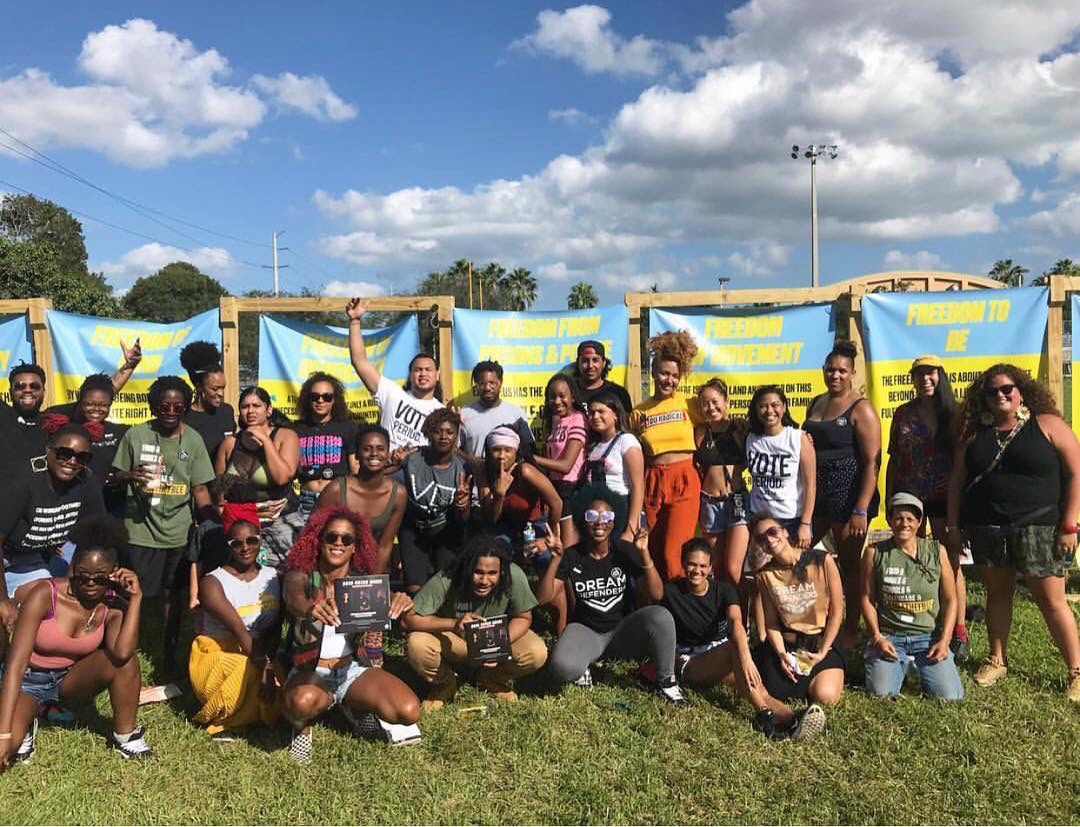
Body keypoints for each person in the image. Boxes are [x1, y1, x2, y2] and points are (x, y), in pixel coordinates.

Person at [947, 364, 1080, 700]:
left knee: (1051, 601)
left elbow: (1075, 473)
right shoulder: (974, 435)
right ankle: (997, 658)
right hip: (988, 528)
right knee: (997, 594)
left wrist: (1069, 524)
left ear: (1021, 391)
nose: (1001, 395)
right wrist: (954, 525)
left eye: (1007, 389)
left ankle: (1077, 671)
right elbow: (957, 483)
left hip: (1040, 526)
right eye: (992, 391)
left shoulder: (1047, 424)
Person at [0, 516, 153, 766]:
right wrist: (3, 734)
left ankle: (126, 737)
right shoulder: (45, 594)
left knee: (123, 662)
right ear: (74, 568)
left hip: (68, 681)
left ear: (114, 572)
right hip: (27, 681)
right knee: (5, 750)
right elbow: (15, 664)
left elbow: (123, 653)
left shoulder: (112, 605)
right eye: (83, 576)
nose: (91, 584)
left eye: (100, 577)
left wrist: (136, 599)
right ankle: (26, 722)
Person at [281, 507, 421, 762]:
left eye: (347, 539)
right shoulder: (302, 576)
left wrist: (399, 599)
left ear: (355, 547)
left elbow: (387, 599)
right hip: (310, 670)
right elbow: (293, 597)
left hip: (350, 670)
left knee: (408, 711)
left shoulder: (361, 582)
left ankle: (352, 708)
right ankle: (302, 729)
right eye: (331, 537)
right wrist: (311, 608)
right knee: (302, 703)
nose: (338, 543)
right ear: (318, 540)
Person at [538, 485, 687, 704]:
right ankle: (583, 666)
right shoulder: (572, 555)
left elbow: (656, 594)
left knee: (661, 615)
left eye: (607, 516)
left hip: (622, 631)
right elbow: (543, 598)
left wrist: (644, 554)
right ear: (583, 520)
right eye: (592, 516)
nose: (600, 522)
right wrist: (555, 560)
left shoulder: (624, 551)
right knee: (561, 668)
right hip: (587, 631)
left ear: (614, 521)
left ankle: (666, 680)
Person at [666, 538, 826, 740]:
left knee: (758, 689)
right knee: (733, 650)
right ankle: (763, 715)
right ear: (683, 563)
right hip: (691, 662)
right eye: (691, 564)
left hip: (724, 656)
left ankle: (791, 719)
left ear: (710, 567)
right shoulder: (671, 591)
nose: (697, 570)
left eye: (702, 566)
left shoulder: (723, 590)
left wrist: (745, 657)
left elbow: (736, 622)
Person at [111, 376, 215, 673]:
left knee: (172, 596)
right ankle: (122, 651)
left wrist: (212, 523)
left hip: (178, 533)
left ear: (185, 408)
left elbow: (199, 489)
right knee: (132, 594)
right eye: (164, 405)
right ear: (154, 406)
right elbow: (114, 476)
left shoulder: (193, 440)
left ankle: (168, 657)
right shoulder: (136, 435)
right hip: (140, 531)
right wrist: (129, 476)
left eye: (177, 406)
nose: (170, 411)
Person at [886, 354, 969, 659]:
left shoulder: (955, 413)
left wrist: (959, 488)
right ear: (913, 379)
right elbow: (894, 457)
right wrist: (889, 496)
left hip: (946, 497)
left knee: (951, 562)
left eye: (930, 373)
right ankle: (922, 624)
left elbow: (965, 459)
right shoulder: (903, 414)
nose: (925, 379)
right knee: (913, 560)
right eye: (919, 374)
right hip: (910, 496)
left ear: (940, 376)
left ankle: (958, 629)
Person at [402, 534, 547, 708]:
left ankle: (490, 679)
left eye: (492, 573)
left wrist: (499, 646)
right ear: (467, 567)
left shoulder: (513, 574)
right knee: (417, 644)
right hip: (455, 642)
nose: (484, 581)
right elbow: (408, 619)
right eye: (478, 572)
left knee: (536, 652)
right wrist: (453, 624)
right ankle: (445, 682)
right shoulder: (448, 577)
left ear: (501, 571)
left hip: (494, 638)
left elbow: (523, 617)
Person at [803, 341, 881, 645]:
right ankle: (812, 620)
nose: (835, 375)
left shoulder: (861, 408)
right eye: (830, 370)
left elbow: (872, 462)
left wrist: (860, 509)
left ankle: (851, 627)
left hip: (849, 496)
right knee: (801, 553)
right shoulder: (816, 402)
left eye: (841, 371)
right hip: (817, 495)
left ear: (852, 373)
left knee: (850, 563)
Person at [0, 421, 106, 632]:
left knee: (59, 606)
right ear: (48, 450)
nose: (72, 462)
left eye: (82, 457)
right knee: (17, 614)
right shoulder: (22, 480)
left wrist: (68, 589)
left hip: (39, 558)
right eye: (64, 453)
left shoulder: (86, 481)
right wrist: (2, 600)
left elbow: (92, 538)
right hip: (9, 560)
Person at [189, 504, 284, 737]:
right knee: (247, 671)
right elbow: (239, 631)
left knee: (284, 682)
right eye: (237, 543)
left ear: (260, 540)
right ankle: (228, 720)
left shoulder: (274, 577)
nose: (245, 548)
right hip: (218, 654)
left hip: (258, 652)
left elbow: (275, 628)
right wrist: (266, 666)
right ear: (228, 546)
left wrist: (270, 661)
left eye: (251, 540)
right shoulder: (212, 583)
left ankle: (251, 713)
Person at [861, 493, 963, 700]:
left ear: (919, 522)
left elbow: (951, 599)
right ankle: (901, 664)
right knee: (881, 693)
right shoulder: (875, 552)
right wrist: (877, 637)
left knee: (951, 696)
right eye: (898, 518)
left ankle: (914, 666)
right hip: (890, 637)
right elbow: (866, 598)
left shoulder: (937, 551)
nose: (904, 523)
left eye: (910, 518)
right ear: (890, 520)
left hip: (928, 637)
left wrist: (945, 640)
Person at [751, 515, 846, 718]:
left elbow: (837, 611)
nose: (769, 539)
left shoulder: (822, 560)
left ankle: (822, 678)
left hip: (820, 643)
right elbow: (771, 623)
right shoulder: (765, 575)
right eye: (761, 539)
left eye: (772, 532)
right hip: (789, 646)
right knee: (772, 691)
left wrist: (822, 652)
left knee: (826, 696)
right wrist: (782, 654)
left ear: (785, 532)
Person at [0, 343, 140, 477]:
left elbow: (99, 395)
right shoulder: (6, 416)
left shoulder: (51, 418)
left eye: (34, 386)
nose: (27, 390)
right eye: (20, 386)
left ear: (44, 391)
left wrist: (129, 367)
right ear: (10, 390)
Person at [632, 331, 702, 581]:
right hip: (652, 481)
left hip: (683, 478)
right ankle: (658, 603)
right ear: (653, 372)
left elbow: (714, 423)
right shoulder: (639, 411)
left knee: (675, 555)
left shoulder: (690, 403)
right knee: (654, 551)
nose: (669, 380)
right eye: (664, 373)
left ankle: (681, 601)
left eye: (674, 376)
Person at [216, 386, 301, 569]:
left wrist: (266, 440)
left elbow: (282, 477)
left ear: (268, 410)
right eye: (245, 406)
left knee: (290, 577)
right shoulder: (230, 444)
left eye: (256, 406)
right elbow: (218, 491)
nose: (251, 411)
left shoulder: (286, 436)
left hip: (280, 521)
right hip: (240, 527)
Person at [346, 298, 443, 457]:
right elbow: (359, 362)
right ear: (410, 375)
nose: (423, 374)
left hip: (419, 471)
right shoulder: (392, 393)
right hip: (386, 469)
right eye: (418, 370)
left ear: (437, 375)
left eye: (428, 370)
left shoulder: (441, 412)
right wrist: (355, 321)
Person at [315, 425, 406, 578]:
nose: (374, 454)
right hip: (330, 566)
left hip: (369, 567)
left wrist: (372, 582)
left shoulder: (398, 494)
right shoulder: (336, 489)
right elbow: (313, 535)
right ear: (356, 454)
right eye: (367, 449)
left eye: (380, 449)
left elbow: (385, 545)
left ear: (387, 453)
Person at [398, 409, 471, 594]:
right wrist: (393, 459)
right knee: (414, 588)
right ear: (429, 433)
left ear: (456, 435)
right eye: (438, 431)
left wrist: (462, 506)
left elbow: (463, 519)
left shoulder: (463, 468)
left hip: (446, 529)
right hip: (413, 528)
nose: (443, 437)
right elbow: (385, 476)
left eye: (449, 432)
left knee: (445, 586)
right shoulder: (412, 458)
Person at [693, 379, 750, 587]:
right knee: (716, 568)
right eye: (705, 403)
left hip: (737, 499)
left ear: (727, 401)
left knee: (734, 570)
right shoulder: (699, 432)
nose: (711, 407)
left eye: (715, 401)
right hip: (710, 503)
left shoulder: (741, 428)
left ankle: (742, 608)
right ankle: (723, 608)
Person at [744, 385, 816, 547]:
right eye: (763, 406)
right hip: (759, 519)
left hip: (791, 520)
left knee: (793, 563)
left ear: (784, 407)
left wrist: (805, 523)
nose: (769, 410)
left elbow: (810, 484)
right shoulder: (749, 438)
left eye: (775, 405)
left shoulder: (798, 438)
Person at [48, 374, 129, 514]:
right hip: (69, 504)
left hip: (107, 506)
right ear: (80, 402)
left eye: (104, 405)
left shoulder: (119, 432)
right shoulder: (64, 428)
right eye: (89, 404)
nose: (96, 409)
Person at [480, 426, 562, 545]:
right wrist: (499, 496)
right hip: (506, 524)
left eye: (508, 450)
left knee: (540, 553)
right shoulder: (486, 473)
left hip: (535, 522)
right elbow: (490, 519)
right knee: (496, 548)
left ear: (515, 452)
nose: (502, 456)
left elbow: (556, 503)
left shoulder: (525, 471)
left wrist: (547, 539)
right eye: (496, 450)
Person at [533, 374, 588, 548]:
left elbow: (566, 466)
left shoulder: (578, 419)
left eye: (562, 396)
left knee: (568, 548)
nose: (557, 401)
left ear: (573, 397)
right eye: (552, 397)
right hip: (555, 488)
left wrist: (533, 459)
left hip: (570, 490)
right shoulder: (556, 421)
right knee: (555, 545)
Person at [293, 372, 358, 519]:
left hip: (339, 499)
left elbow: (355, 469)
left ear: (335, 400)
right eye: (315, 396)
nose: (320, 400)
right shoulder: (296, 429)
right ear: (307, 399)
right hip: (305, 500)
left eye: (327, 397)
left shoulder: (348, 428)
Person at [585, 391, 644, 541]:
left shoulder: (626, 441)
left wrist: (631, 529)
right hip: (598, 516)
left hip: (621, 514)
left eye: (601, 411)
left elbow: (638, 486)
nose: (595, 416)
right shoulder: (593, 447)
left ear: (616, 414)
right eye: (591, 413)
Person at [459, 360, 535, 462]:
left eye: (492, 383)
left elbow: (529, 449)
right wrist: (472, 461)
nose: (487, 388)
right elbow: (454, 449)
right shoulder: (464, 414)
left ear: (500, 383)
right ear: (476, 385)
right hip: (475, 471)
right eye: (482, 383)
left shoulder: (516, 414)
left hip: (509, 472)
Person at [180, 340, 235, 462]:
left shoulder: (227, 412)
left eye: (223, 388)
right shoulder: (184, 417)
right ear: (199, 386)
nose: (220, 394)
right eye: (215, 389)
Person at [574, 340, 632, 414]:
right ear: (578, 363)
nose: (590, 366)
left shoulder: (618, 393)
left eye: (595, 360)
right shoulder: (570, 392)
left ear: (604, 362)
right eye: (585, 361)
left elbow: (625, 420)